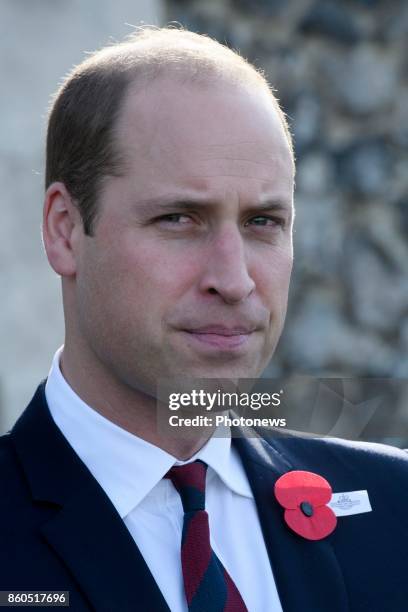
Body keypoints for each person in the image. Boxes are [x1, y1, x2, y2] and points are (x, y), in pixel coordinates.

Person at [1, 26, 407, 612]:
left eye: (263, 221)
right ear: (65, 229)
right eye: (179, 218)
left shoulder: (395, 508)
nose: (235, 278)